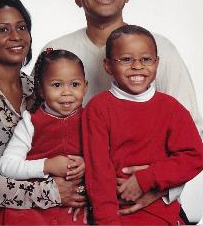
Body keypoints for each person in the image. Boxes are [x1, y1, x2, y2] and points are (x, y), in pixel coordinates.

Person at [37, 0, 202, 218]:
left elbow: (192, 134)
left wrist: (156, 186)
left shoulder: (162, 50)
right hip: (75, 195)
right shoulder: (56, 51)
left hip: (147, 198)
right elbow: (37, 127)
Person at [40, 0, 202, 134]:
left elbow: (190, 128)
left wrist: (156, 164)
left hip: (146, 159)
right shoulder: (55, 50)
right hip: (73, 159)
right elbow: (35, 122)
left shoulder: (161, 47)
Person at [0, 0, 85, 225]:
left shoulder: (41, 88)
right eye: (3, 30)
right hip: (3, 214)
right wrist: (48, 193)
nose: (16, 36)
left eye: (21, 27)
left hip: (60, 208)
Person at [82, 25, 203, 225]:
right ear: (108, 65)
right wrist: (107, 222)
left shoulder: (171, 108)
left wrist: (147, 178)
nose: (137, 66)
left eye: (146, 59)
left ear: (157, 63)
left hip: (161, 215)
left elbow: (195, 156)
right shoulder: (99, 108)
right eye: (126, 59)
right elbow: (98, 173)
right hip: (113, 216)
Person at [0, 49, 88, 225]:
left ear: (86, 86)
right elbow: (6, 166)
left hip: (75, 203)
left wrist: (86, 164)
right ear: (40, 90)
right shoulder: (30, 123)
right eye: (56, 85)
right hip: (35, 202)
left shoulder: (91, 119)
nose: (66, 92)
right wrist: (47, 165)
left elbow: (108, 159)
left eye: (75, 84)